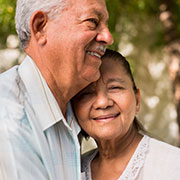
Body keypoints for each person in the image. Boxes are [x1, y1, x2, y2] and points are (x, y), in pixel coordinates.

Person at [0, 0, 113, 179]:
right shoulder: (9, 118)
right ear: (40, 27)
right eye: (92, 22)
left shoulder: (71, 110)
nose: (108, 37)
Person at [72, 49, 180, 180]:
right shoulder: (71, 170)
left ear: (137, 100)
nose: (102, 102)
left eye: (114, 87)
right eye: (86, 93)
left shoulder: (172, 165)